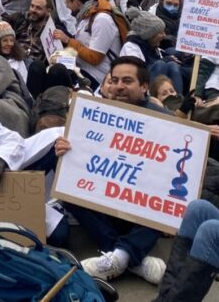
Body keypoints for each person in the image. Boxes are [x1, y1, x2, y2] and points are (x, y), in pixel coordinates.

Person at [57, 57, 167, 285]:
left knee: (165, 192)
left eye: (127, 81)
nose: (118, 86)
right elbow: (80, 158)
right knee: (66, 181)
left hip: (141, 213)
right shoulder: (91, 114)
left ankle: (119, 256)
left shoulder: (163, 121)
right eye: (114, 80)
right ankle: (130, 258)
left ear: (144, 86)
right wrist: (66, 150)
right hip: (104, 205)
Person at [53, 0, 123, 89]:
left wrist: (68, 40)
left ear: (76, 2)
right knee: (51, 63)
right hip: (82, 67)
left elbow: (94, 58)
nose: (67, 6)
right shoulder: (86, 18)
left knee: (56, 73)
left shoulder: (102, 20)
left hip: (98, 77)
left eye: (67, 2)